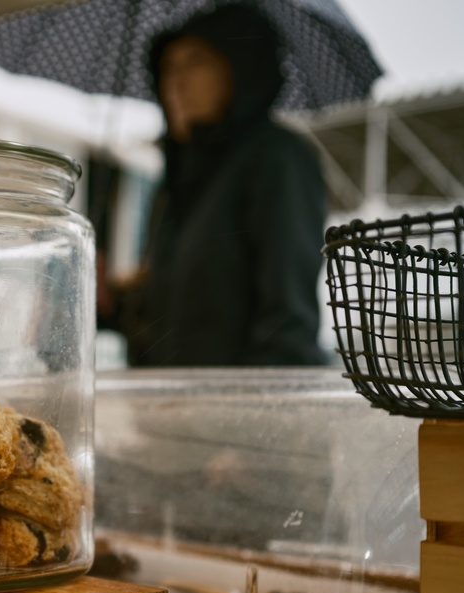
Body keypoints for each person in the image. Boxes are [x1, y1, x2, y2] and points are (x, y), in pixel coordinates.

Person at [115, 3, 329, 367]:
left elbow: (287, 320)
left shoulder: (276, 158)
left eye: (195, 61)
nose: (176, 82)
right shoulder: (178, 181)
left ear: (240, 68)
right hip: (170, 411)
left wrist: (254, 418)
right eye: (167, 68)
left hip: (239, 411)